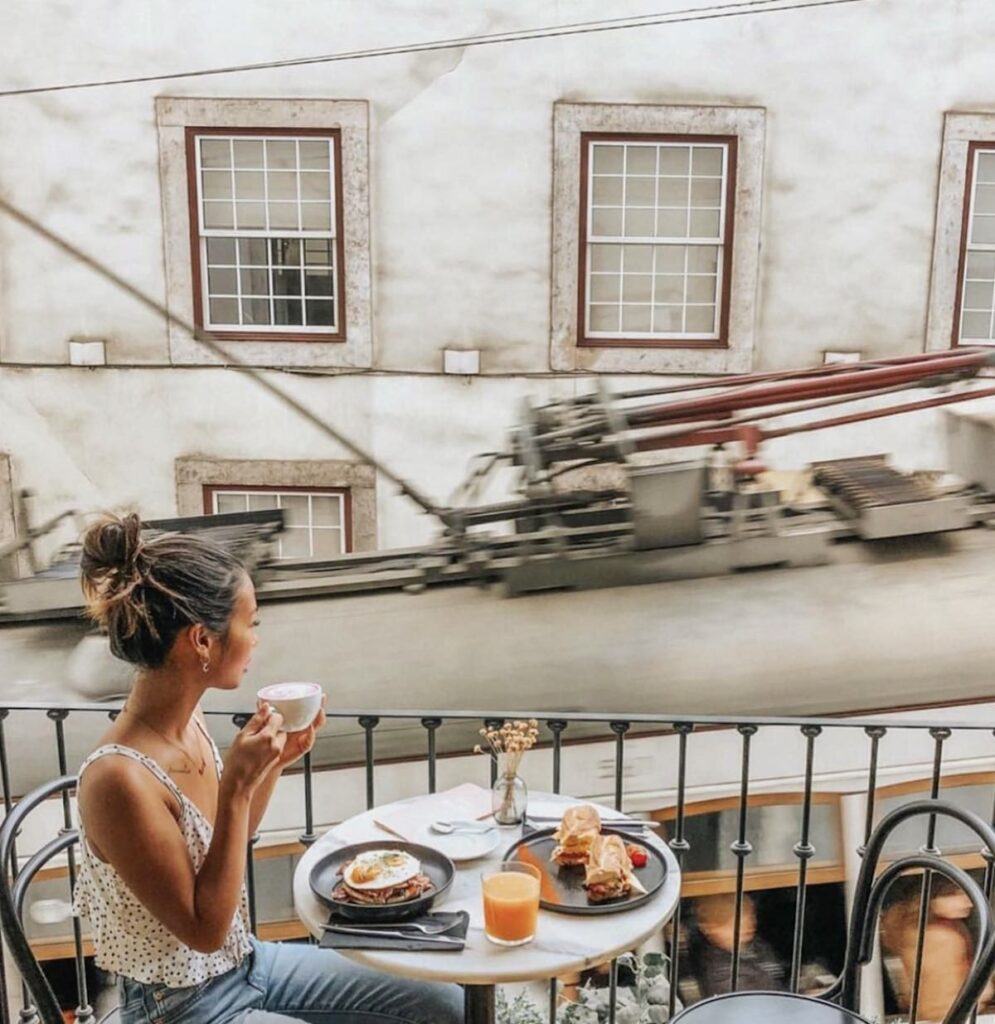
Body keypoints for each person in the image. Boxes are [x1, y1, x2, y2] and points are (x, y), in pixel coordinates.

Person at [72, 513, 463, 1024]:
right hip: (177, 1007)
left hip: (244, 964)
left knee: (445, 1002)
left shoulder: (189, 721)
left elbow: (220, 849)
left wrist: (272, 763)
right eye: (249, 622)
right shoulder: (118, 779)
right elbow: (204, 927)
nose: (255, 638)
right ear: (202, 641)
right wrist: (235, 784)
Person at [880, 874, 992, 1022]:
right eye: (956, 895)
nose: (968, 903)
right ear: (933, 898)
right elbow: (941, 999)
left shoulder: (909, 928)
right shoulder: (942, 937)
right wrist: (982, 992)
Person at [688, 893, 787, 999]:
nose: (747, 927)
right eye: (734, 925)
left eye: (749, 919)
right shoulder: (720, 972)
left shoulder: (759, 946)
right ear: (712, 929)